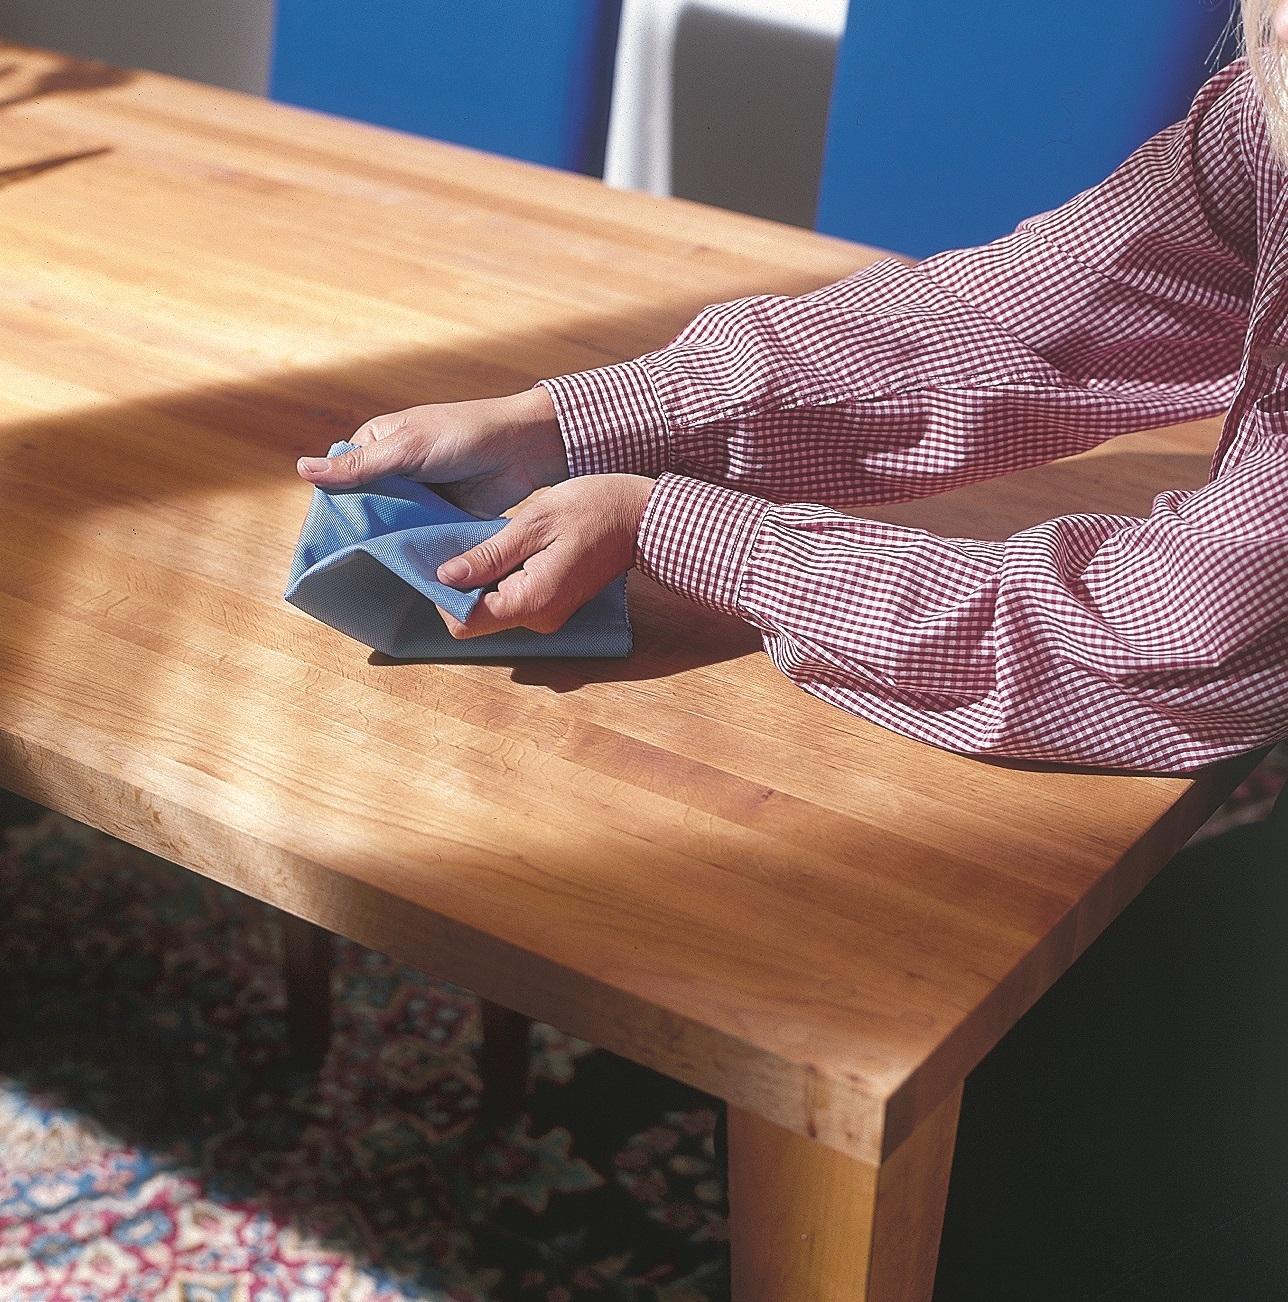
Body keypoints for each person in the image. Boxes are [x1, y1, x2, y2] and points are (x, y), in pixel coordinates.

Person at [298, 1, 1288, 1291]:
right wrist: (571, 421)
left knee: (980, 1142)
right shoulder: (1268, 116)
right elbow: (1004, 323)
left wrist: (685, 533)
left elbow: (1157, 635)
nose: (1259, 42)